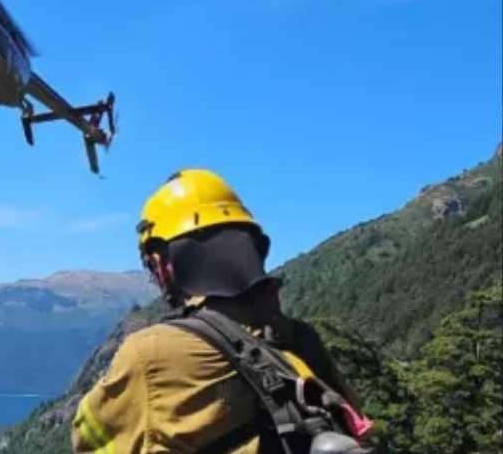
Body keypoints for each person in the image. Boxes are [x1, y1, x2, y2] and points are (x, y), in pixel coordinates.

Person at [72, 169, 370, 453]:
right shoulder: (302, 339)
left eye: (152, 265)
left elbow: (88, 438)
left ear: (164, 264)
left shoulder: (149, 354)